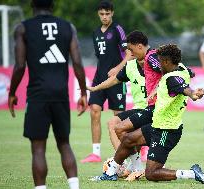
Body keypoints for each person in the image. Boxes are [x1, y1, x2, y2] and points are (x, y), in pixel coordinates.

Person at [92, 44, 204, 184]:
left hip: (166, 132)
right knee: (128, 140)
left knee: (151, 173)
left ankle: (192, 173)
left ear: (167, 62)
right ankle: (110, 173)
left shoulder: (172, 79)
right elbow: (185, 78)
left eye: (160, 61)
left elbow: (183, 87)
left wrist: (192, 93)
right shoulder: (182, 69)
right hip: (157, 125)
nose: (157, 64)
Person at [8, 1, 87, 189]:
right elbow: (77, 63)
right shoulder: (69, 27)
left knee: (38, 148)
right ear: (52, 6)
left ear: (32, 5)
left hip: (37, 95)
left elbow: (19, 66)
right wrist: (83, 92)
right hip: (61, 94)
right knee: (64, 143)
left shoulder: (23, 28)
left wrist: (12, 93)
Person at [81, 0, 132, 163]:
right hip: (99, 77)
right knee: (94, 110)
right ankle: (95, 153)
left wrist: (117, 69)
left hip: (117, 80)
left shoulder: (117, 29)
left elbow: (129, 54)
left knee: (119, 119)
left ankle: (129, 150)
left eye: (107, 14)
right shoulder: (96, 32)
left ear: (112, 13)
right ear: (98, 14)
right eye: (102, 14)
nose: (104, 17)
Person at [87, 58, 147, 151]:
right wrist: (95, 88)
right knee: (113, 123)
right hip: (138, 109)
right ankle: (121, 161)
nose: (130, 53)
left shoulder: (156, 63)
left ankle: (140, 151)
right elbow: (115, 79)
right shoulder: (130, 65)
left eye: (130, 50)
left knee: (129, 129)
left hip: (154, 110)